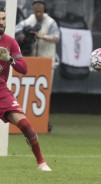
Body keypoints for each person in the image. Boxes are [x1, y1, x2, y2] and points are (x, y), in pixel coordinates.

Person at [0, 7, 51, 171]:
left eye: (3, 19)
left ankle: (41, 163)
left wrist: (9, 59)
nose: (1, 22)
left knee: (26, 125)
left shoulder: (10, 42)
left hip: (1, 91)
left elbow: (23, 68)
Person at [15, 0, 60, 132]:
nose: (38, 13)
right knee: (30, 90)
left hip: (47, 60)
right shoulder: (29, 20)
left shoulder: (50, 22)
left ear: (44, 10)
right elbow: (17, 29)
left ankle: (44, 120)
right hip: (32, 60)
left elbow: (56, 37)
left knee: (46, 92)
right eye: (36, 11)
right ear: (33, 10)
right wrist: (24, 34)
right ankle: (31, 119)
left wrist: (42, 36)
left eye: (40, 11)